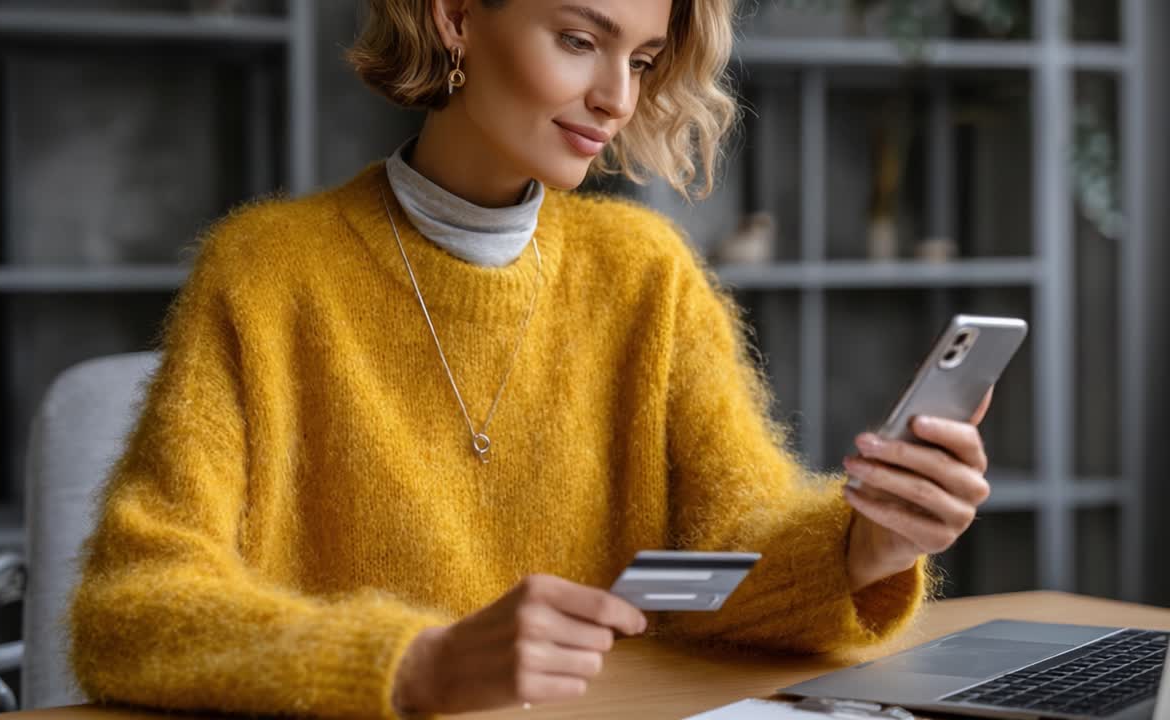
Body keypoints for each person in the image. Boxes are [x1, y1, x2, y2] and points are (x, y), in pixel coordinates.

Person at [67, 1, 995, 718]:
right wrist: (416, 663)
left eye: (639, 60)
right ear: (458, 18)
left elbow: (727, 555)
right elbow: (134, 611)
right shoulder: (267, 272)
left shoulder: (644, 274)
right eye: (579, 41)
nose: (618, 99)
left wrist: (864, 547)